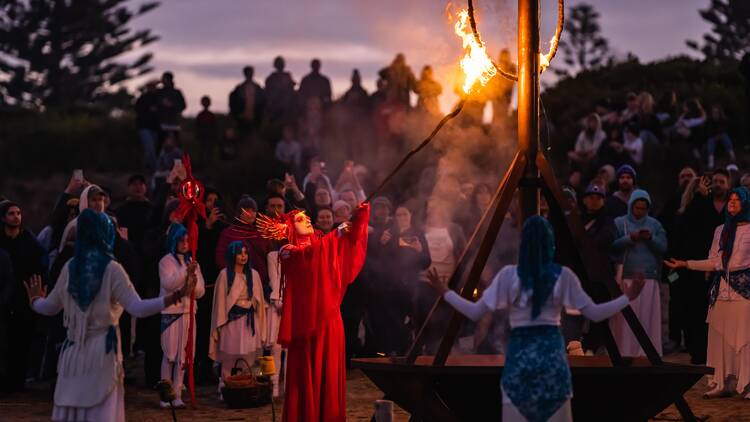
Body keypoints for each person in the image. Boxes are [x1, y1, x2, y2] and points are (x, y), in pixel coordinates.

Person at [427, 216, 645, 422]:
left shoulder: (508, 276)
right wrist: (627, 297)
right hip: (551, 357)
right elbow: (595, 313)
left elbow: (474, 312)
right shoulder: (563, 275)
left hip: (520, 357)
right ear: (550, 242)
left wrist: (445, 291)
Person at [24, 209, 195, 421]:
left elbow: (49, 307)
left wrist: (35, 301)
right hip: (102, 353)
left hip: (73, 354)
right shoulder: (112, 269)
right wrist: (172, 297)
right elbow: (137, 308)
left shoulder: (70, 268)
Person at [263, 204, 369, 422]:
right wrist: (336, 234)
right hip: (307, 325)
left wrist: (357, 221)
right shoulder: (288, 251)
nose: (307, 220)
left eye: (307, 217)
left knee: (328, 373)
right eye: (301, 219)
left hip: (329, 319)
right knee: (307, 372)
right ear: (289, 228)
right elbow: (309, 256)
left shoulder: (323, 244)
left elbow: (345, 255)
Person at [666, 187, 750, 398]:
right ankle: (722, 383)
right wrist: (686, 264)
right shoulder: (720, 230)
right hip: (721, 290)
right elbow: (714, 262)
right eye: (730, 199)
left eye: (737, 199)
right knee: (720, 336)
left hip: (744, 291)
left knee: (745, 337)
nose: (732, 202)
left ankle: (748, 384)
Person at [610, 189, 667, 357]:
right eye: (637, 207)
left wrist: (650, 239)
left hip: (649, 279)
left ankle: (647, 353)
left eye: (643, 208)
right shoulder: (619, 223)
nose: (640, 211)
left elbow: (663, 247)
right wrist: (630, 238)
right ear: (631, 206)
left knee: (647, 320)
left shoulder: (655, 225)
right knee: (627, 321)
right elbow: (611, 246)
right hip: (626, 278)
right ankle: (624, 352)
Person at [209, 241, 266, 397]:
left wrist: (252, 306)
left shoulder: (253, 275)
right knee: (230, 356)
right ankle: (224, 388)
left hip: (249, 322)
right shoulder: (224, 275)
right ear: (233, 255)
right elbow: (221, 302)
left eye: (245, 253)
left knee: (248, 357)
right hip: (232, 322)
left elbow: (259, 299)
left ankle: (245, 389)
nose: (243, 256)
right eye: (240, 253)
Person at [0, 200, 46, 392]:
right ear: (3, 218)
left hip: (23, 298)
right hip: (3, 298)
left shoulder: (29, 241)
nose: (16, 217)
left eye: (18, 213)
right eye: (11, 213)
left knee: (21, 341)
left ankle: (17, 383)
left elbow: (40, 266)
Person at [158, 223, 205, 408]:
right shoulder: (166, 261)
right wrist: (186, 273)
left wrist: (193, 281)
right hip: (171, 313)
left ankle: (177, 394)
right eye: (182, 240)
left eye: (188, 240)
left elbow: (200, 291)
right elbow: (169, 283)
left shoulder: (192, 262)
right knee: (169, 354)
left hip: (188, 313)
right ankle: (165, 395)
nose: (185, 244)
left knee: (184, 357)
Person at [229, 66, 266, 134]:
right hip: (242, 120)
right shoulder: (239, 89)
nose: (249, 75)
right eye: (247, 73)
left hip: (256, 120)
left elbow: (263, 103)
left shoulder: (258, 88)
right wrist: (237, 115)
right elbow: (233, 104)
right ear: (245, 74)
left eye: (250, 73)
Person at [134, 81, 160, 173]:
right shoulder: (143, 98)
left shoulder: (158, 98)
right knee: (150, 148)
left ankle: (145, 169)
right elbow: (137, 109)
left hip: (155, 128)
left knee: (149, 150)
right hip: (144, 127)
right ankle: (156, 170)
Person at [264, 56, 297, 126]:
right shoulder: (271, 78)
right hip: (275, 108)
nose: (280, 66)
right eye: (279, 64)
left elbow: (292, 89)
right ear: (275, 65)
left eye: (281, 64)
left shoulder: (287, 75)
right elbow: (268, 92)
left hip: (287, 108)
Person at [488, 48, 517, 125]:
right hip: (496, 100)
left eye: (505, 56)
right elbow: (492, 83)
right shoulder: (496, 68)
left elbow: (508, 84)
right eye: (502, 56)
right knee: (496, 119)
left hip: (505, 101)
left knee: (503, 120)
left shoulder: (511, 68)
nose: (504, 58)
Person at [155, 72, 187, 137]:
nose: (163, 81)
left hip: (174, 123)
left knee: (174, 144)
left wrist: (172, 105)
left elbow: (183, 106)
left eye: (164, 79)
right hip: (161, 122)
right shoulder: (159, 92)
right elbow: (155, 105)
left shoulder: (177, 92)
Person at [705, 104, 736, 169]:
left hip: (721, 135)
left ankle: (732, 156)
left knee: (726, 138)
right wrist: (715, 136)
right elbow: (709, 131)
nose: (715, 114)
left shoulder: (723, 119)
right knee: (710, 142)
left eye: (716, 112)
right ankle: (711, 163)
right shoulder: (709, 120)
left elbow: (724, 129)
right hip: (713, 136)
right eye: (714, 112)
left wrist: (719, 135)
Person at [196, 95, 219, 162]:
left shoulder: (211, 115)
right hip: (202, 137)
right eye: (204, 102)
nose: (205, 104)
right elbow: (197, 126)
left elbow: (214, 127)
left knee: (209, 152)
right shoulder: (200, 115)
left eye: (206, 102)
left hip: (210, 137)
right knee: (202, 152)